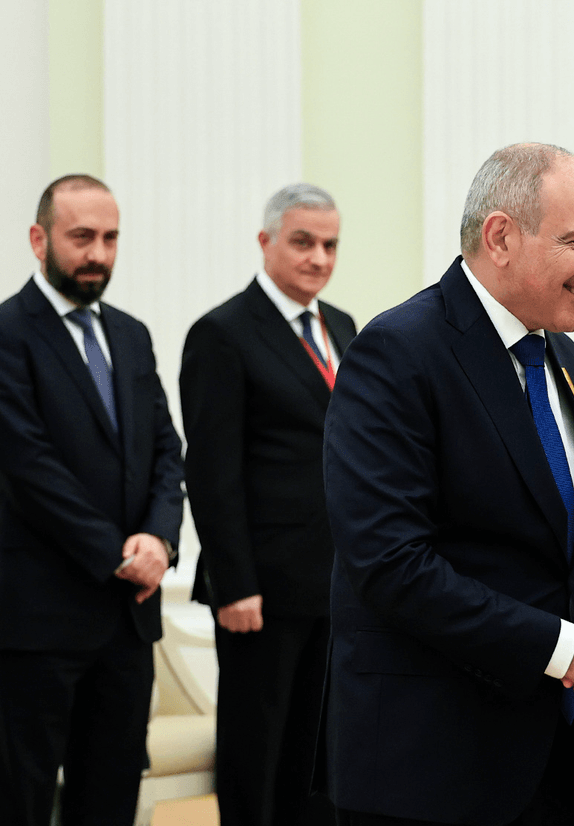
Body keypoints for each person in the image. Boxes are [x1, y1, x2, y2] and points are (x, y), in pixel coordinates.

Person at [317, 143, 574, 826]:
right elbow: (391, 567)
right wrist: (572, 655)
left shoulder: (569, 364)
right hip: (429, 767)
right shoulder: (397, 353)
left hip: (551, 763)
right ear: (501, 236)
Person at [0, 174, 185, 826]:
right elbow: (27, 467)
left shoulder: (131, 335)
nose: (98, 253)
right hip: (37, 624)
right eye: (82, 237)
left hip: (126, 623)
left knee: (107, 801)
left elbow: (166, 449)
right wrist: (116, 553)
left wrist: (159, 540)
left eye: (109, 238)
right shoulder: (8, 333)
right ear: (38, 239)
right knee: (19, 800)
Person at [181, 183, 355, 826]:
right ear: (267, 242)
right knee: (260, 750)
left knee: (321, 752)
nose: (318, 258)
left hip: (334, 582)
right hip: (261, 591)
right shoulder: (222, 333)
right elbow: (210, 469)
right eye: (303, 242)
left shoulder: (341, 326)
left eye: (330, 245)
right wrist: (235, 585)